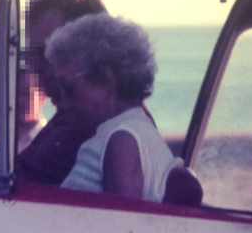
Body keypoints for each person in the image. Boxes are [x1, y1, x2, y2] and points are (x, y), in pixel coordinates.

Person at [0, 0, 107, 184]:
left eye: (46, 52)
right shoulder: (65, 125)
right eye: (31, 54)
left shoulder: (98, 136)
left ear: (88, 51)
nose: (34, 66)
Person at [46, 14, 179, 202]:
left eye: (69, 89)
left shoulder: (122, 140)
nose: (63, 102)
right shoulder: (136, 129)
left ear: (107, 80)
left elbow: (122, 226)